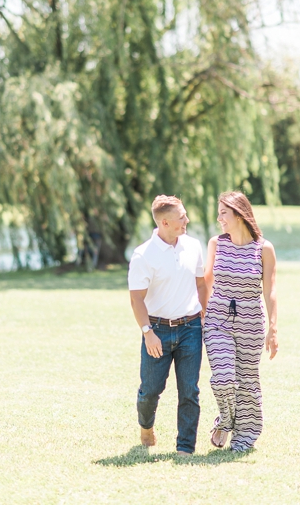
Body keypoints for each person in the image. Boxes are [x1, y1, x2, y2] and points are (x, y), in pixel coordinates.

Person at [128, 195, 208, 456]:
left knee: (189, 391)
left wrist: (205, 315)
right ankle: (146, 426)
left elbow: (201, 284)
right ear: (164, 222)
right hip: (157, 331)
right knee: (150, 391)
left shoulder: (193, 246)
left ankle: (185, 448)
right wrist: (147, 333)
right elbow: (136, 299)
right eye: (181, 217)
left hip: (190, 329)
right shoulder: (143, 255)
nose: (187, 220)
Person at [203, 191, 278, 452]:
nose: (219, 218)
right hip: (217, 321)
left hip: (251, 322)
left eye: (223, 212)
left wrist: (273, 328)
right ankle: (225, 420)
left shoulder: (264, 248)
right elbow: (206, 281)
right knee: (223, 377)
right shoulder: (216, 244)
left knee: (247, 380)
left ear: (239, 214)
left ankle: (246, 435)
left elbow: (270, 290)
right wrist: (203, 315)